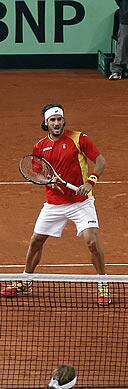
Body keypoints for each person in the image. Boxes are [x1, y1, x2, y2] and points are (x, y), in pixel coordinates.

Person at [0, 103, 111, 305]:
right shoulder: (39, 146)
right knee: (36, 241)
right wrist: (49, 182)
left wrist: (90, 181)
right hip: (54, 204)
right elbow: (38, 173)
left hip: (81, 202)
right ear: (46, 123)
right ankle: (26, 280)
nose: (57, 123)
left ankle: (103, 283)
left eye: (59, 119)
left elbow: (101, 161)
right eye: (52, 120)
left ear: (63, 120)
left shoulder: (79, 138)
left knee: (92, 241)